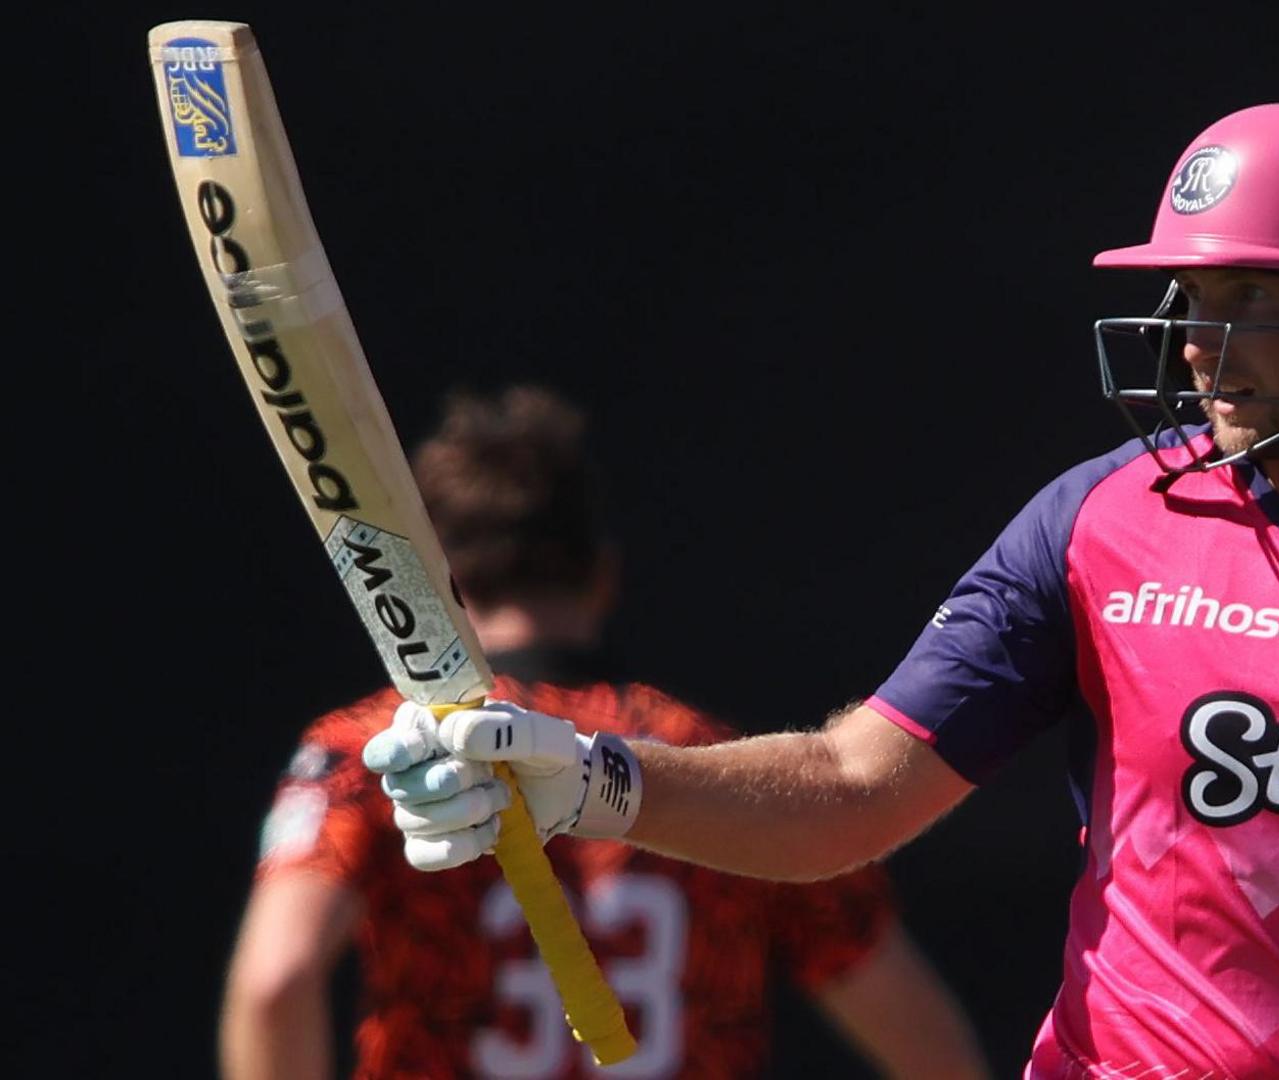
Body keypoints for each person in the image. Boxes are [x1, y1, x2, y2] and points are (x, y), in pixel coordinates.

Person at [366, 105, 1279, 1078]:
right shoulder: (1100, 523)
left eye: (1248, 298)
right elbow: (854, 785)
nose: (1198, 342)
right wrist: (594, 783)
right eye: (1191, 301)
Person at [220, 386, 991, 1079]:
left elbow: (275, 979)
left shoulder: (371, 748)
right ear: (603, 574)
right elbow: (930, 1046)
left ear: (438, 580)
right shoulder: (715, 767)